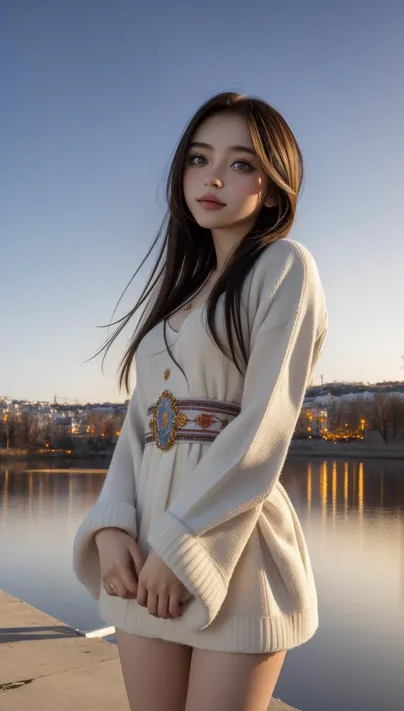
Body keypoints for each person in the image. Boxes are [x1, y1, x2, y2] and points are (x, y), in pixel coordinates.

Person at [72, 91, 328, 711]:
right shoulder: (177, 302)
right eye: (198, 157)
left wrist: (184, 543)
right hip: (146, 555)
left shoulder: (283, 268)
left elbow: (265, 426)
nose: (212, 176)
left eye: (241, 163)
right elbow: (140, 428)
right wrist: (111, 527)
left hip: (232, 549)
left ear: (272, 188)